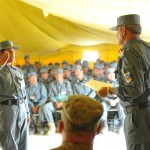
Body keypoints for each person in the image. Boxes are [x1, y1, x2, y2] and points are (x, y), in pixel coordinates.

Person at [98, 14, 150, 150]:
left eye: (117, 31)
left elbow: (134, 88)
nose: (116, 35)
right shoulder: (147, 48)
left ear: (123, 30)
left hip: (139, 118)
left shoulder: (130, 51)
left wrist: (110, 90)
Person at [0, 40, 30, 150]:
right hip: (6, 109)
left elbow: (24, 93)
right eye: (9, 52)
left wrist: (27, 112)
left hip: (21, 107)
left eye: (13, 52)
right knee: (9, 141)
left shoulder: (18, 71)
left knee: (23, 141)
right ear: (1, 53)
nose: (12, 54)